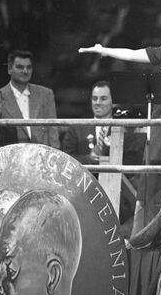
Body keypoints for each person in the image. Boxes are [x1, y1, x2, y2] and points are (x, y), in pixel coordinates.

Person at [78, 0, 161, 234]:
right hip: (160, 125)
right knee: (156, 180)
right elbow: (132, 53)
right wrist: (103, 50)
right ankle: (151, 235)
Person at [61, 80, 144, 233]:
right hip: (84, 198)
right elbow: (66, 160)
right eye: (94, 98)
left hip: (119, 200)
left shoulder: (126, 129)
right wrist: (89, 159)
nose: (98, 103)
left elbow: (134, 161)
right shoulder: (77, 128)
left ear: (113, 102)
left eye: (103, 98)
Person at [0, 50, 60, 149]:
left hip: (42, 157)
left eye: (29, 67)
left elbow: (53, 132)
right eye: (20, 67)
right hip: (13, 157)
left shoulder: (46, 94)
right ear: (9, 69)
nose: (25, 71)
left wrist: (55, 158)